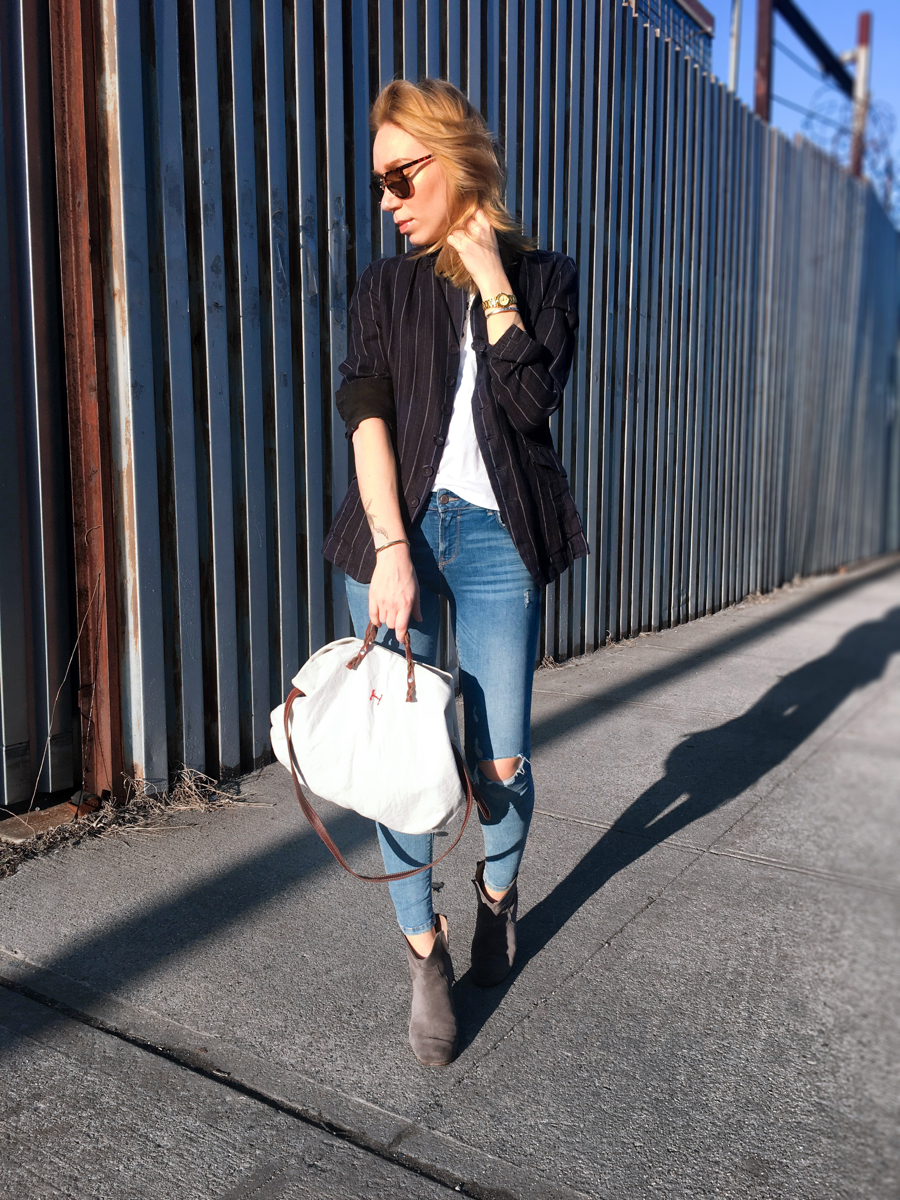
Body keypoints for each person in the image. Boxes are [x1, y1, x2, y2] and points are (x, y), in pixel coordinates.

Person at [323, 78, 588, 1066]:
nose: (387, 198)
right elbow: (367, 418)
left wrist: (489, 275)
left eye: (402, 175)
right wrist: (392, 552)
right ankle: (423, 955)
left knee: (501, 762)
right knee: (404, 772)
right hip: (397, 541)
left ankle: (495, 897)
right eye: (378, 181)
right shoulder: (385, 288)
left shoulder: (548, 277)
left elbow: (528, 406)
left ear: (457, 158)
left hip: (494, 543)